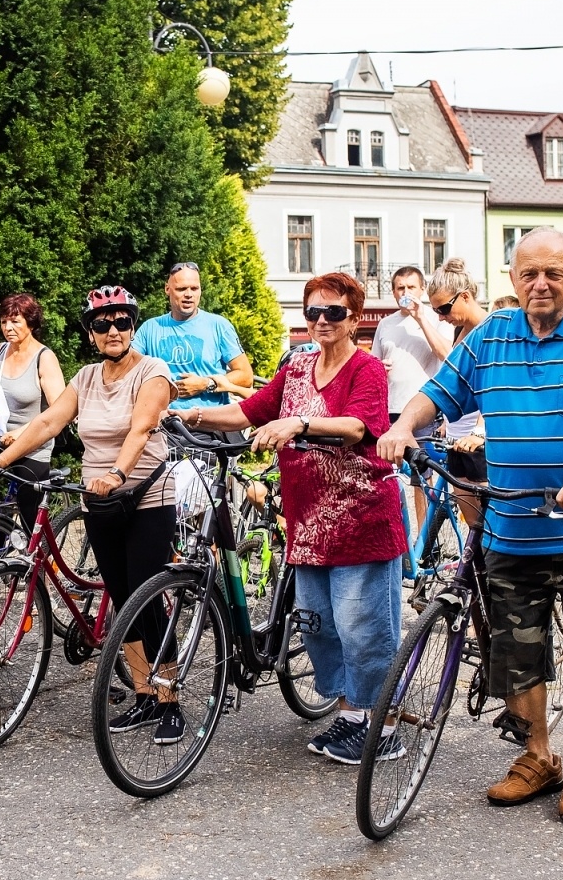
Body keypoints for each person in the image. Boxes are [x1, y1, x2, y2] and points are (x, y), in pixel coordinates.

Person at [379, 226, 563, 824]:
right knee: (515, 651)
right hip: (512, 528)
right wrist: (405, 425)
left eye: (554, 273)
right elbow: (439, 391)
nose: (540, 284)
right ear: (512, 279)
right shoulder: (488, 338)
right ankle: (537, 757)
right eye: (529, 273)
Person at [174, 271, 405, 766]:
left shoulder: (367, 370)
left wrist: (299, 423)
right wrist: (183, 414)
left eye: (334, 313)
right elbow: (248, 412)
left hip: (362, 516)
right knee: (319, 625)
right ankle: (349, 716)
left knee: (362, 626)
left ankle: (383, 724)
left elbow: (357, 427)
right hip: (308, 521)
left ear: (354, 319)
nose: (322, 321)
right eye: (313, 312)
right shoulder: (298, 367)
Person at [0, 287, 184, 743]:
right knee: (120, 593)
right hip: (99, 502)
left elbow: (143, 427)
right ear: (90, 334)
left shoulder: (153, 371)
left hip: (147, 498)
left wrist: (116, 472)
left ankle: (170, 701)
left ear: (133, 326)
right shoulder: (87, 377)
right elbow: (50, 422)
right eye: (102, 324)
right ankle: (145, 694)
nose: (113, 331)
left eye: (122, 322)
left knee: (145, 598)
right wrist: (5, 455)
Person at [0, 293, 67, 529]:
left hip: (31, 445)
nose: (8, 327)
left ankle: (44, 562)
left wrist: (20, 433)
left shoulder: (44, 358)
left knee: (30, 519)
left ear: (31, 322)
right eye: (4, 321)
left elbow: (61, 409)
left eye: (15, 321)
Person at [372, 265, 446, 535]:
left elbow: (445, 355)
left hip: (424, 411)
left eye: (411, 287)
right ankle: (393, 537)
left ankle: (425, 541)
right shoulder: (385, 324)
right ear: (393, 292)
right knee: (386, 478)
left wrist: (420, 317)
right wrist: (380, 368)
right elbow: (375, 363)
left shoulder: (436, 319)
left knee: (421, 480)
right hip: (391, 411)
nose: (405, 292)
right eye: (400, 288)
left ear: (421, 290)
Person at [132, 261, 253, 412]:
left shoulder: (219, 326)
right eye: (181, 289)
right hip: (162, 424)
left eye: (194, 288)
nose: (189, 294)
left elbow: (246, 376)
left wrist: (206, 384)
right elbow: (127, 370)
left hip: (210, 424)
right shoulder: (150, 328)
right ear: (167, 289)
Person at [427, 259, 489, 528]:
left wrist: (479, 431)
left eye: (444, 308)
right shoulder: (458, 330)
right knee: (473, 527)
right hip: (456, 436)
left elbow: (495, 389)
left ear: (465, 296)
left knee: (490, 527)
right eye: (436, 310)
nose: (441, 316)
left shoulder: (490, 330)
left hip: (480, 440)